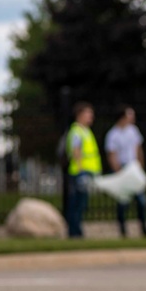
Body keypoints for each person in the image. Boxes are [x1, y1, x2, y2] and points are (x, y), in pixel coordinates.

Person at [104, 105, 146, 238]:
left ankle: (144, 228)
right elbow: (112, 153)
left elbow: (138, 148)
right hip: (123, 168)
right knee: (123, 201)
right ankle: (123, 229)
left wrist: (140, 165)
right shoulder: (113, 134)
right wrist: (118, 171)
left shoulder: (133, 131)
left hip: (133, 167)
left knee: (141, 201)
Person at [65, 101, 102, 238]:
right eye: (88, 113)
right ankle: (74, 232)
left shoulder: (86, 131)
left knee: (81, 204)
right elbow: (76, 152)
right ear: (79, 114)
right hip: (80, 173)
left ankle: (77, 231)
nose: (91, 116)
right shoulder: (77, 131)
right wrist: (81, 171)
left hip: (86, 172)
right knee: (77, 204)